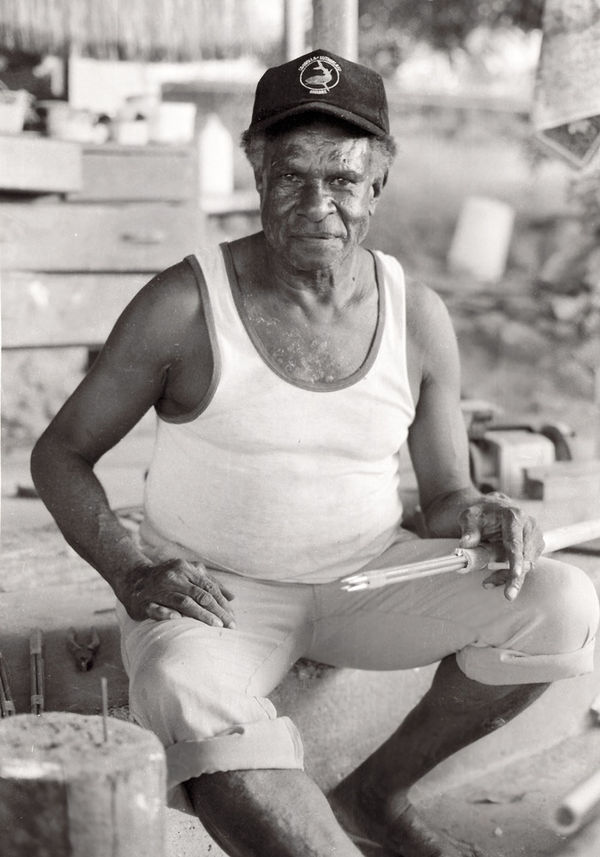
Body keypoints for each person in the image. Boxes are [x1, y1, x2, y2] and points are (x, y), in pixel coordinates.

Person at [31, 49, 598, 857]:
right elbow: (59, 454)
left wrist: (488, 514)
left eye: (341, 179)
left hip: (371, 575)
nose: (315, 204)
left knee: (562, 603)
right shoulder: (185, 305)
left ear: (378, 185)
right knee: (181, 685)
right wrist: (129, 566)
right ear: (256, 172)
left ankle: (375, 793)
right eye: (291, 175)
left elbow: (445, 497)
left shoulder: (416, 314)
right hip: (214, 595)